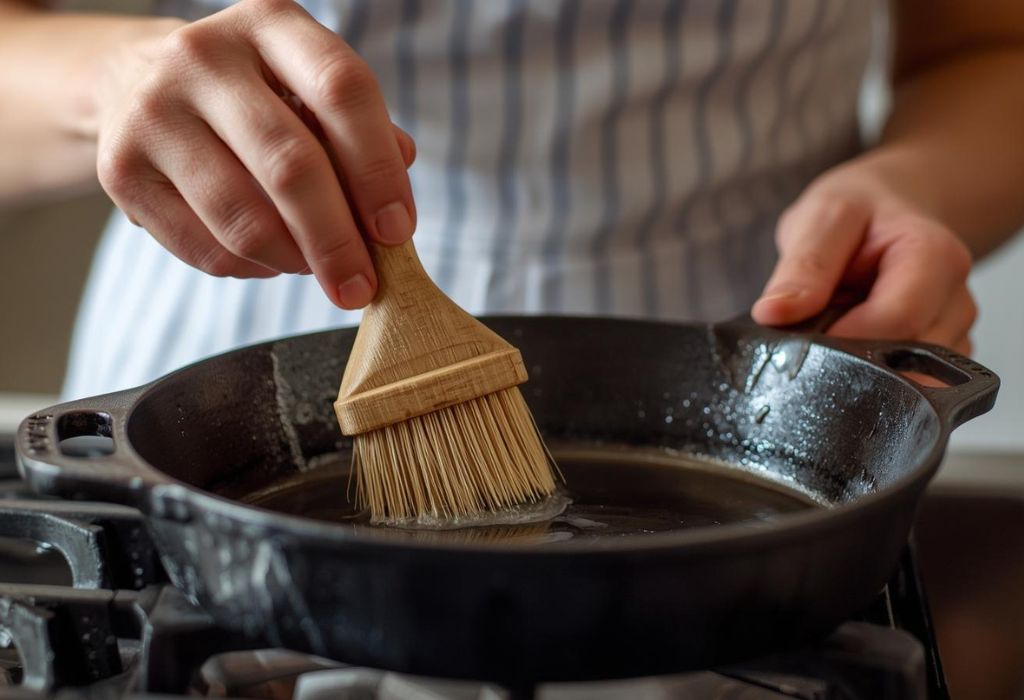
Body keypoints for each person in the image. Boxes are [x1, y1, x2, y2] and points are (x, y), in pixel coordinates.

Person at [1, 0, 1022, 400]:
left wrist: (908, 188)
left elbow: (986, 48)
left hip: (762, 365)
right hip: (230, 359)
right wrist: (114, 86)